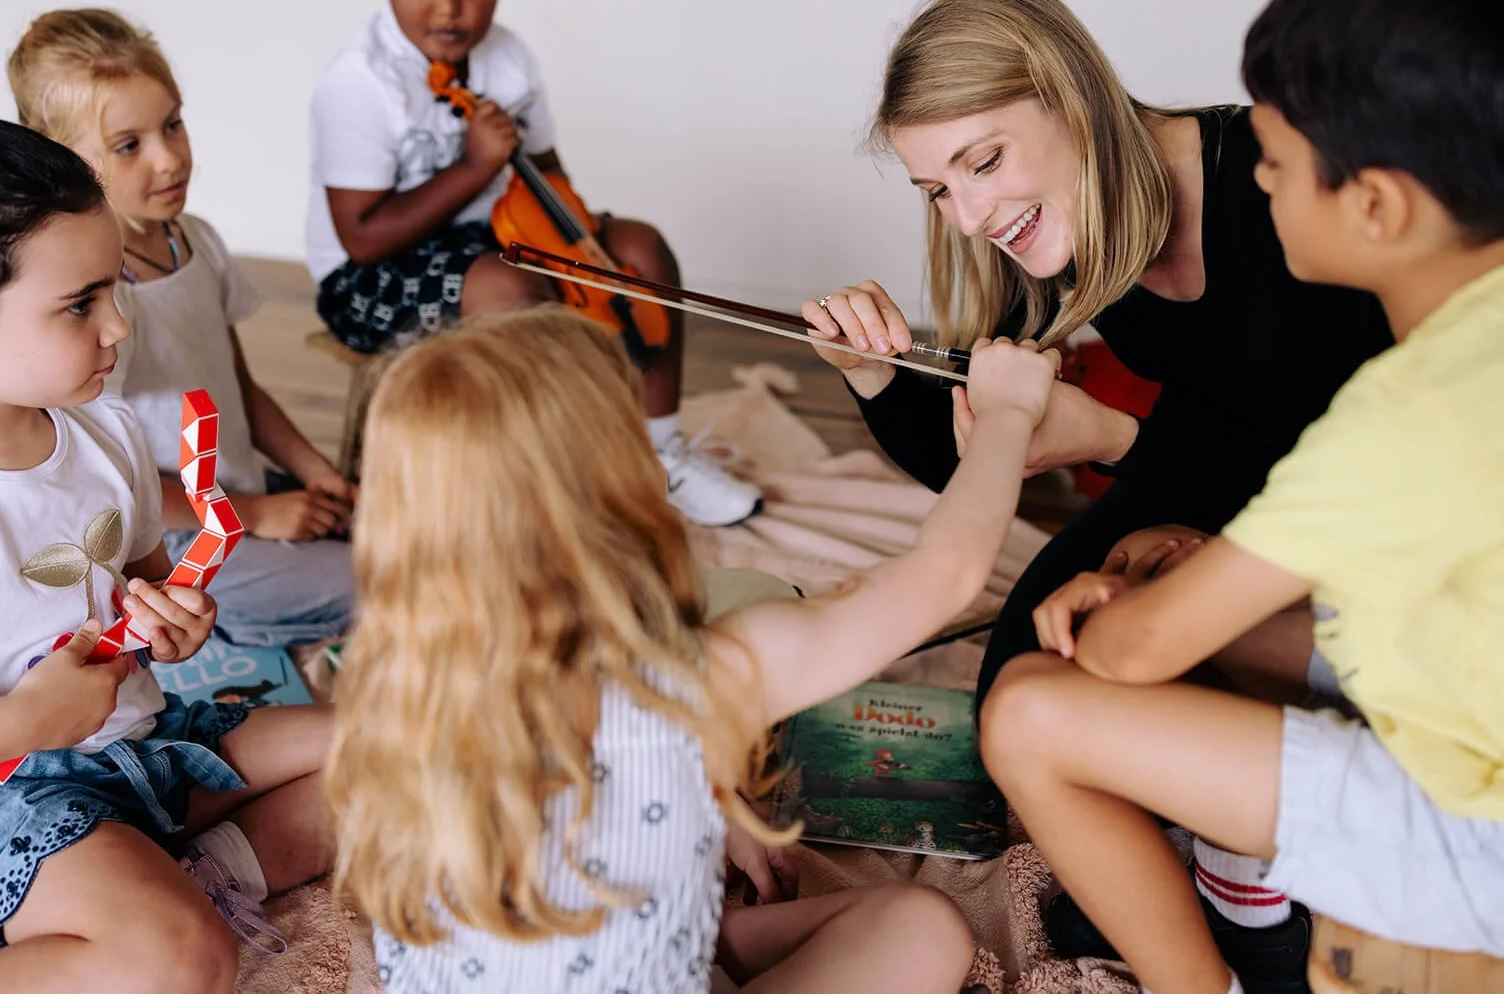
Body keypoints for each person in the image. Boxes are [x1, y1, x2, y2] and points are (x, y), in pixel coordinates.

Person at [800, 0, 1393, 976]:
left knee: (1121, 634)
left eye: (983, 161)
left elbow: (1317, 473)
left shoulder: (1276, 187)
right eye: (939, 188)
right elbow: (985, 456)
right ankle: (1187, 837)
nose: (971, 214)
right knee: (1019, 672)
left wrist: (1113, 441)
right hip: (1216, 465)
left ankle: (1241, 880)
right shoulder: (1058, 229)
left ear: (1069, 94)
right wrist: (869, 375)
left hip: (1346, 502)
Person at [980, 0, 1504, 993]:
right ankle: (1248, 892)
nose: (1254, 180)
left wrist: (1117, 603)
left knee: (1030, 707)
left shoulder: (1398, 415)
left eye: (1271, 160)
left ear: (1376, 206)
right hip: (1467, 683)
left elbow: (1132, 652)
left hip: (1476, 830)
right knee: (1162, 573)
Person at [324, 307, 1062, 991]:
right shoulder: (698, 679)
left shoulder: (390, 683)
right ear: (618, 489)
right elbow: (945, 572)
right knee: (923, 927)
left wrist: (714, 806)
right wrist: (1008, 414)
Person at [0, 115, 336, 989]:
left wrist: (175, 618)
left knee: (413, 751)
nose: (118, 329)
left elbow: (141, 584)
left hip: (138, 745)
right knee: (179, 956)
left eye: (113, 295)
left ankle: (178, 883)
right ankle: (139, 921)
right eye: (79, 305)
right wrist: (22, 723)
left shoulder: (105, 433)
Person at [306, 0, 759, 527]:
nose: (448, 7)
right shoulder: (360, 84)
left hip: (492, 235)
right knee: (514, 292)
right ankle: (538, 484)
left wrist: (584, 246)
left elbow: (548, 173)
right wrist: (473, 167)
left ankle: (659, 451)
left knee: (643, 249)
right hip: (370, 274)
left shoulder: (508, 58)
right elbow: (362, 236)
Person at [8, 8, 358, 650]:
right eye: (129, 145)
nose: (170, 159)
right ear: (56, 156)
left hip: (245, 490)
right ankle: (234, 628)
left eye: (172, 124)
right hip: (174, 538)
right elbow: (105, 471)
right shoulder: (97, 304)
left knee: (407, 534)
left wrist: (315, 472)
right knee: (387, 584)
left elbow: (239, 386)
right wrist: (253, 517)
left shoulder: (195, 242)